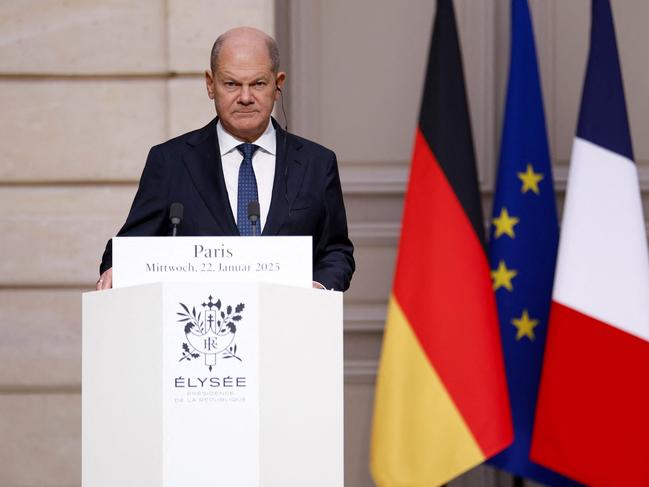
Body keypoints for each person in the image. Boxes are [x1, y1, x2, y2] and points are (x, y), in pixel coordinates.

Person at [96, 26, 354, 291]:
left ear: (278, 85)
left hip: (288, 323)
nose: (245, 97)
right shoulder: (170, 162)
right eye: (231, 84)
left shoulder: (317, 163)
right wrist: (117, 268)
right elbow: (128, 247)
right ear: (211, 84)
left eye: (258, 84)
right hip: (200, 324)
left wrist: (318, 288)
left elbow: (336, 251)